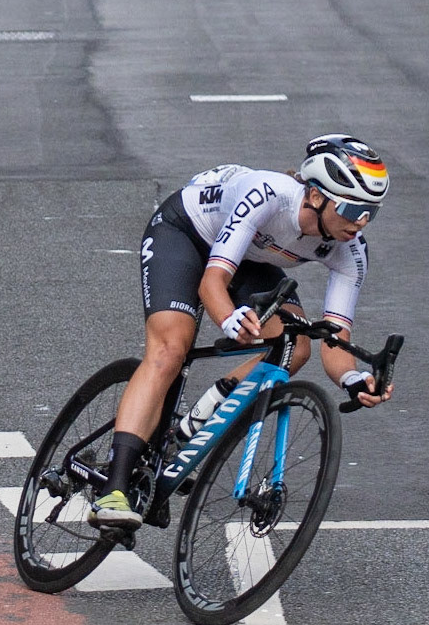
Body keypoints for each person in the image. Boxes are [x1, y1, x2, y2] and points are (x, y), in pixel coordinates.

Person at [87, 135, 395, 529]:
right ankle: (112, 490)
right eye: (353, 209)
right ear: (316, 196)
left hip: (251, 257)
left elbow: (336, 338)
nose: (361, 222)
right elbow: (212, 283)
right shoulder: (267, 194)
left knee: (294, 345)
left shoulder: (350, 250)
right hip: (187, 234)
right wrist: (231, 320)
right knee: (170, 349)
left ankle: (192, 427)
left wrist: (354, 378)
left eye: (372, 212)